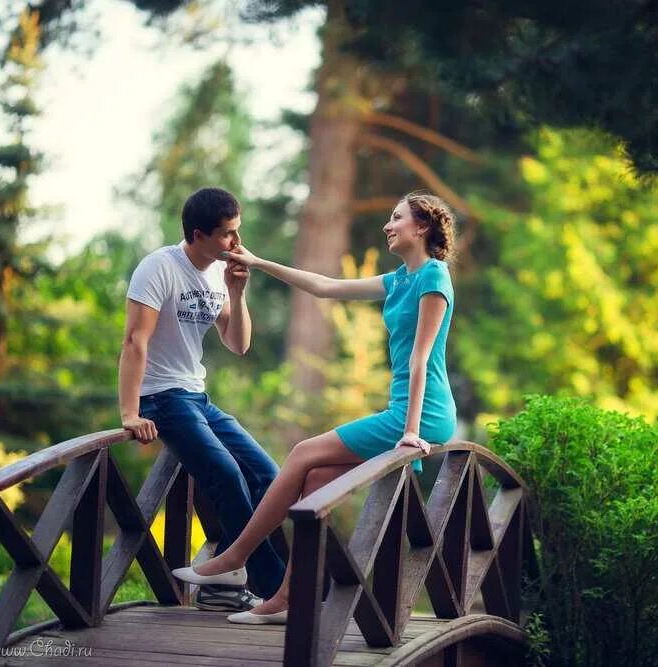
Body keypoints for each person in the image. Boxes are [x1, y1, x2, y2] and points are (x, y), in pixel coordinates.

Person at [172, 191, 458, 624]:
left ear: (421, 227)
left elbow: (421, 358)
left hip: (422, 415)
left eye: (396, 217)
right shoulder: (400, 279)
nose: (387, 225)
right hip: (403, 412)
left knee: (304, 451)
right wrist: (259, 262)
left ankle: (236, 555)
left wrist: (410, 431)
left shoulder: (434, 277)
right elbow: (324, 287)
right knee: (318, 478)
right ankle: (287, 599)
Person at [119, 187, 286, 611]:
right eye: (228, 235)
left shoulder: (217, 271)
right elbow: (135, 341)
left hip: (198, 396)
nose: (237, 243)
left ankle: (223, 581)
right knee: (227, 476)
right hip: (163, 399)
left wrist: (237, 292)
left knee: (268, 475)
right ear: (199, 234)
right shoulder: (159, 268)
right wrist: (130, 412)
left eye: (237, 232)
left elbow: (238, 344)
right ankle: (278, 591)